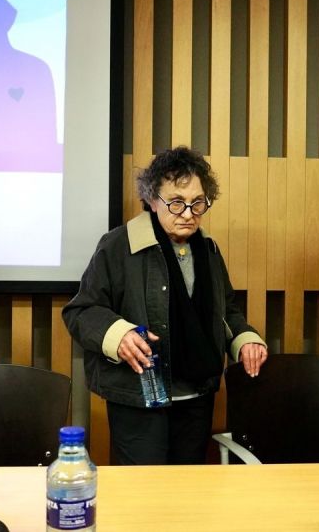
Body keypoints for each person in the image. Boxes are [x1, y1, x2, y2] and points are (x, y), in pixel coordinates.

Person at [63, 146, 268, 465]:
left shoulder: (208, 249)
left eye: (197, 203)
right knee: (143, 490)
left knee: (188, 489)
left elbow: (226, 311)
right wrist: (119, 335)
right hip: (139, 397)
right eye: (176, 202)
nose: (188, 213)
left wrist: (246, 341)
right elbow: (81, 311)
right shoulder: (118, 245)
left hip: (198, 397)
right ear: (152, 199)